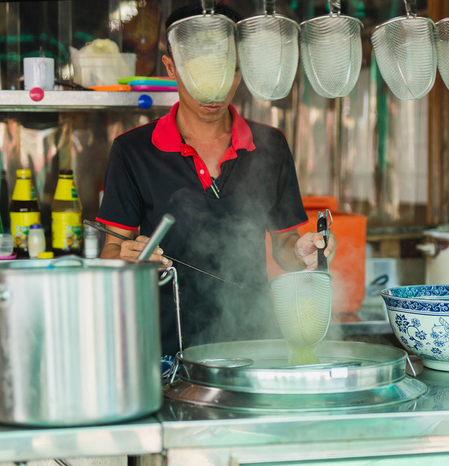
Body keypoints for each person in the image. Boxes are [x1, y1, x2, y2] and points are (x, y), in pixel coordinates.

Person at [97, 2, 336, 357]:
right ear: (171, 67)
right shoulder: (133, 151)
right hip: (161, 352)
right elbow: (111, 254)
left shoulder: (269, 145)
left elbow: (286, 247)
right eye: (199, 71)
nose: (215, 88)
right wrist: (128, 260)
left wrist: (303, 252)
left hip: (253, 347)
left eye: (228, 69)